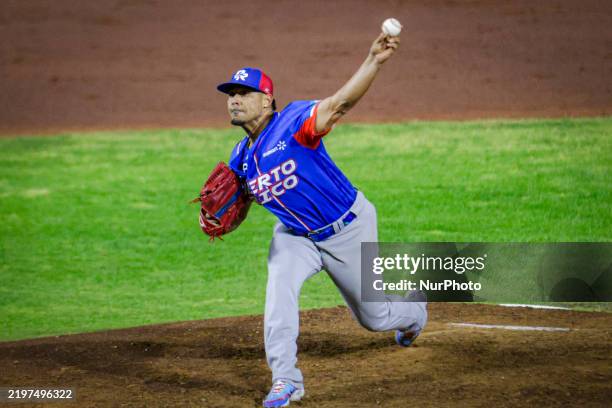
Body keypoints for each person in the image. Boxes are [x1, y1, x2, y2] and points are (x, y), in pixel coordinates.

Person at [216, 31, 427, 408]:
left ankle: (413, 314)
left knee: (374, 318)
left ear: (267, 100)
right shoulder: (240, 158)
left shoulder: (295, 121)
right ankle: (286, 380)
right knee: (278, 292)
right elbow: (240, 205)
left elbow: (341, 102)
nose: (234, 100)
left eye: (244, 93)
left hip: (349, 227)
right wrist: (225, 218)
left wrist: (373, 61)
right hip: (295, 237)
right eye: (231, 94)